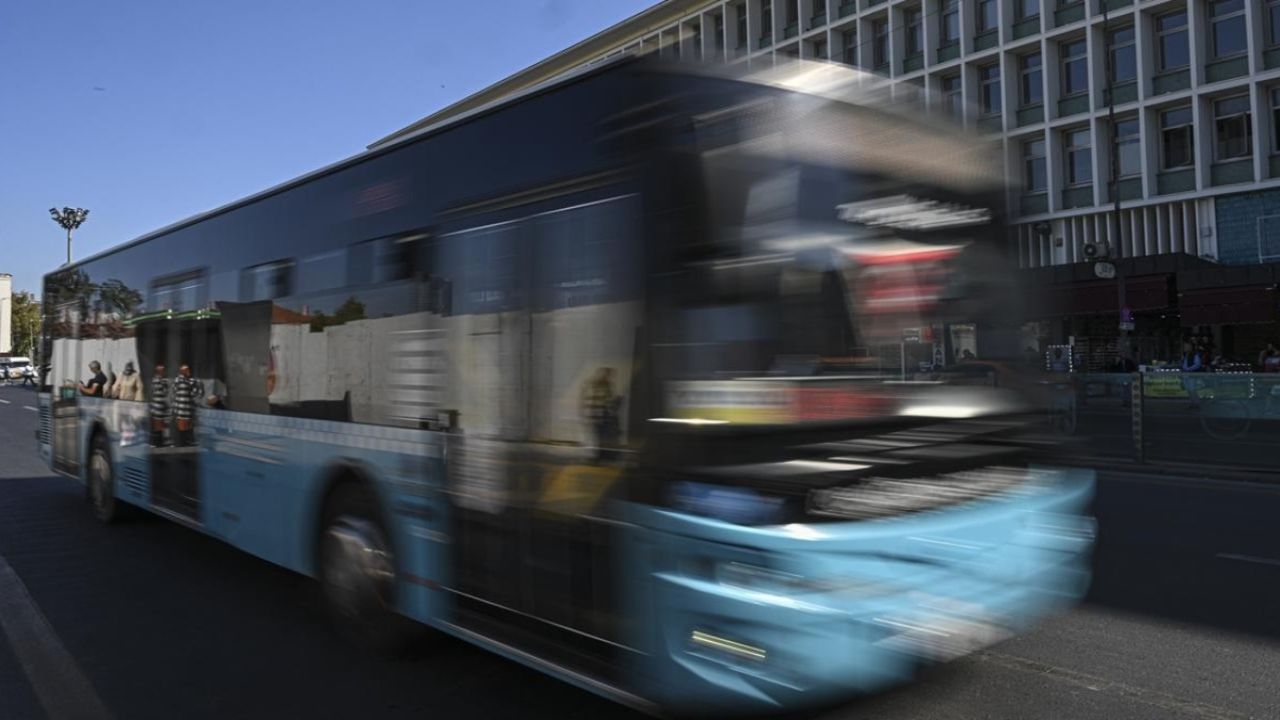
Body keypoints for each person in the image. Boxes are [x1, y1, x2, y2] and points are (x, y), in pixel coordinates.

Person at [580, 367, 621, 462]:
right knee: (601, 437)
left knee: (599, 437)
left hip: (595, 416)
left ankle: (600, 456)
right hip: (600, 416)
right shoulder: (605, 386)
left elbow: (588, 401)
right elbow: (608, 403)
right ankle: (600, 456)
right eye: (608, 375)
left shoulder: (590, 384)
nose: (609, 377)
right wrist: (616, 402)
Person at [172, 364, 204, 447]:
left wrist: (195, 389)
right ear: (182, 372)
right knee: (182, 425)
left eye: (189, 370)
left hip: (188, 408)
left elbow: (196, 393)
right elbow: (176, 391)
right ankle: (181, 443)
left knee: (188, 426)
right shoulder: (179, 380)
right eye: (186, 370)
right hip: (181, 408)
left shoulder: (192, 381)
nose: (189, 371)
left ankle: (188, 442)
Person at [149, 363, 171, 447]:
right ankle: (155, 442)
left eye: (163, 370)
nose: (162, 372)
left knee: (164, 425)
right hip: (156, 406)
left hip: (163, 406)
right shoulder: (155, 380)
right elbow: (153, 392)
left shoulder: (165, 381)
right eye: (160, 370)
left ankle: (163, 442)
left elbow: (166, 392)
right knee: (157, 426)